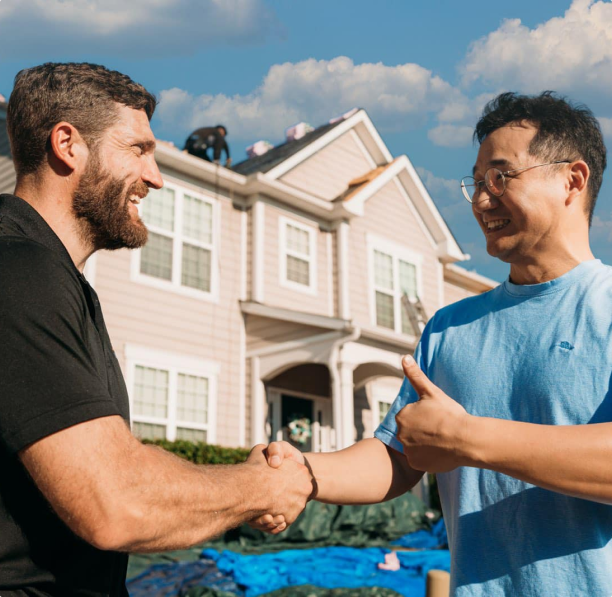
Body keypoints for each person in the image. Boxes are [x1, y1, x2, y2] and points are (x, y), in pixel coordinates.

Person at [259, 92, 612, 596]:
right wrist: (302, 472)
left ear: (571, 180)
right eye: (477, 181)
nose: (481, 198)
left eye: (501, 176)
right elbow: (400, 459)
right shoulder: (450, 327)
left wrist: (467, 439)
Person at [0, 62, 312, 596]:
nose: (156, 176)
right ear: (68, 145)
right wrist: (262, 486)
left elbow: (113, 468)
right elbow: (118, 503)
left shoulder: (56, 281)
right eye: (138, 149)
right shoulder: (19, 270)